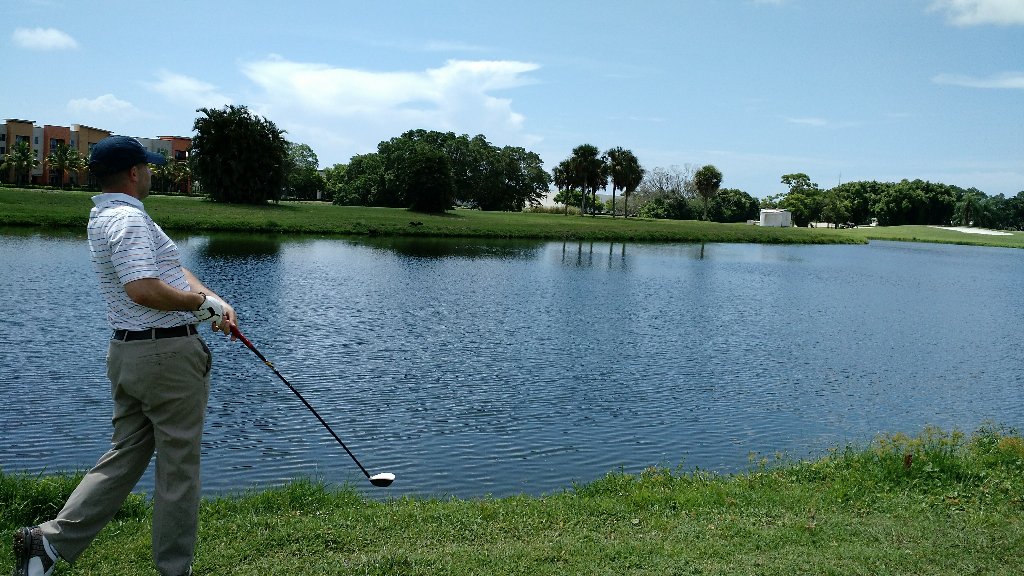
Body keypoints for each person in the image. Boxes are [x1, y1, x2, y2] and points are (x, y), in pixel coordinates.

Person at [13, 135, 237, 576]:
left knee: (126, 453)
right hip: (167, 357)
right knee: (179, 469)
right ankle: (175, 569)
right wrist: (200, 306)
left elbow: (168, 270)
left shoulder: (107, 215)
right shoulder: (130, 220)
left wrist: (212, 300)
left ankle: (47, 544)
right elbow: (143, 288)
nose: (151, 173)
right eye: (147, 167)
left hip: (130, 353)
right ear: (135, 173)